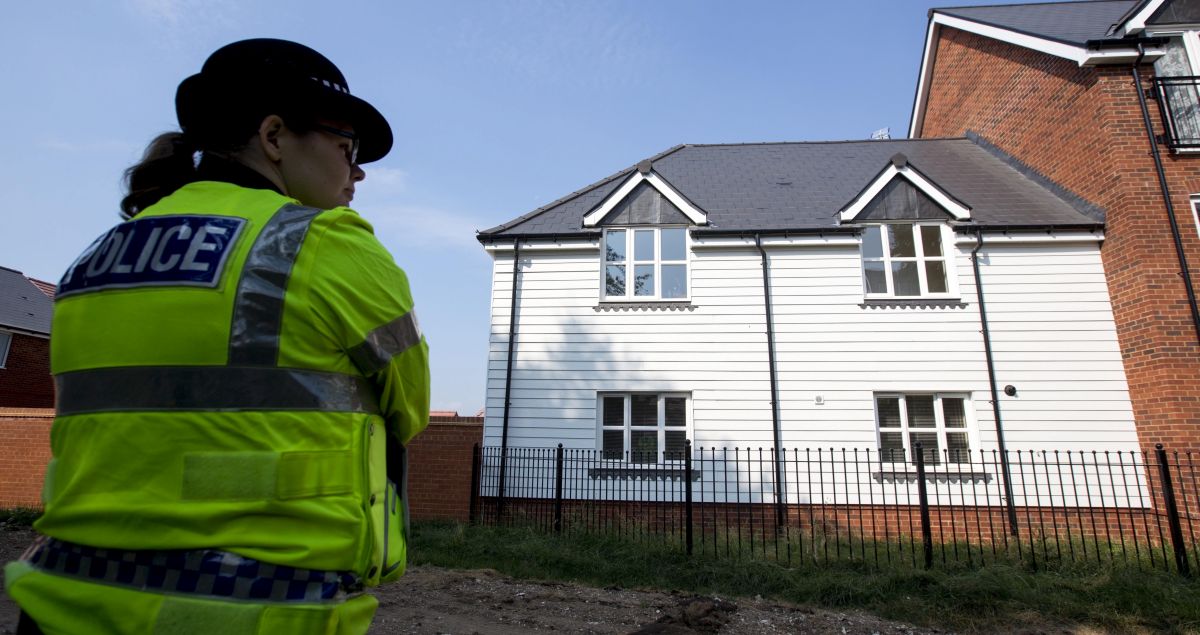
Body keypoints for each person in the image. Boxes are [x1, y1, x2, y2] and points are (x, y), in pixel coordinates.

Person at [5, 39, 430, 634]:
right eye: (347, 146)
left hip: (63, 599)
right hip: (259, 608)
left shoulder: (95, 258)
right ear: (274, 136)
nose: (356, 170)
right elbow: (408, 409)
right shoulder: (328, 243)